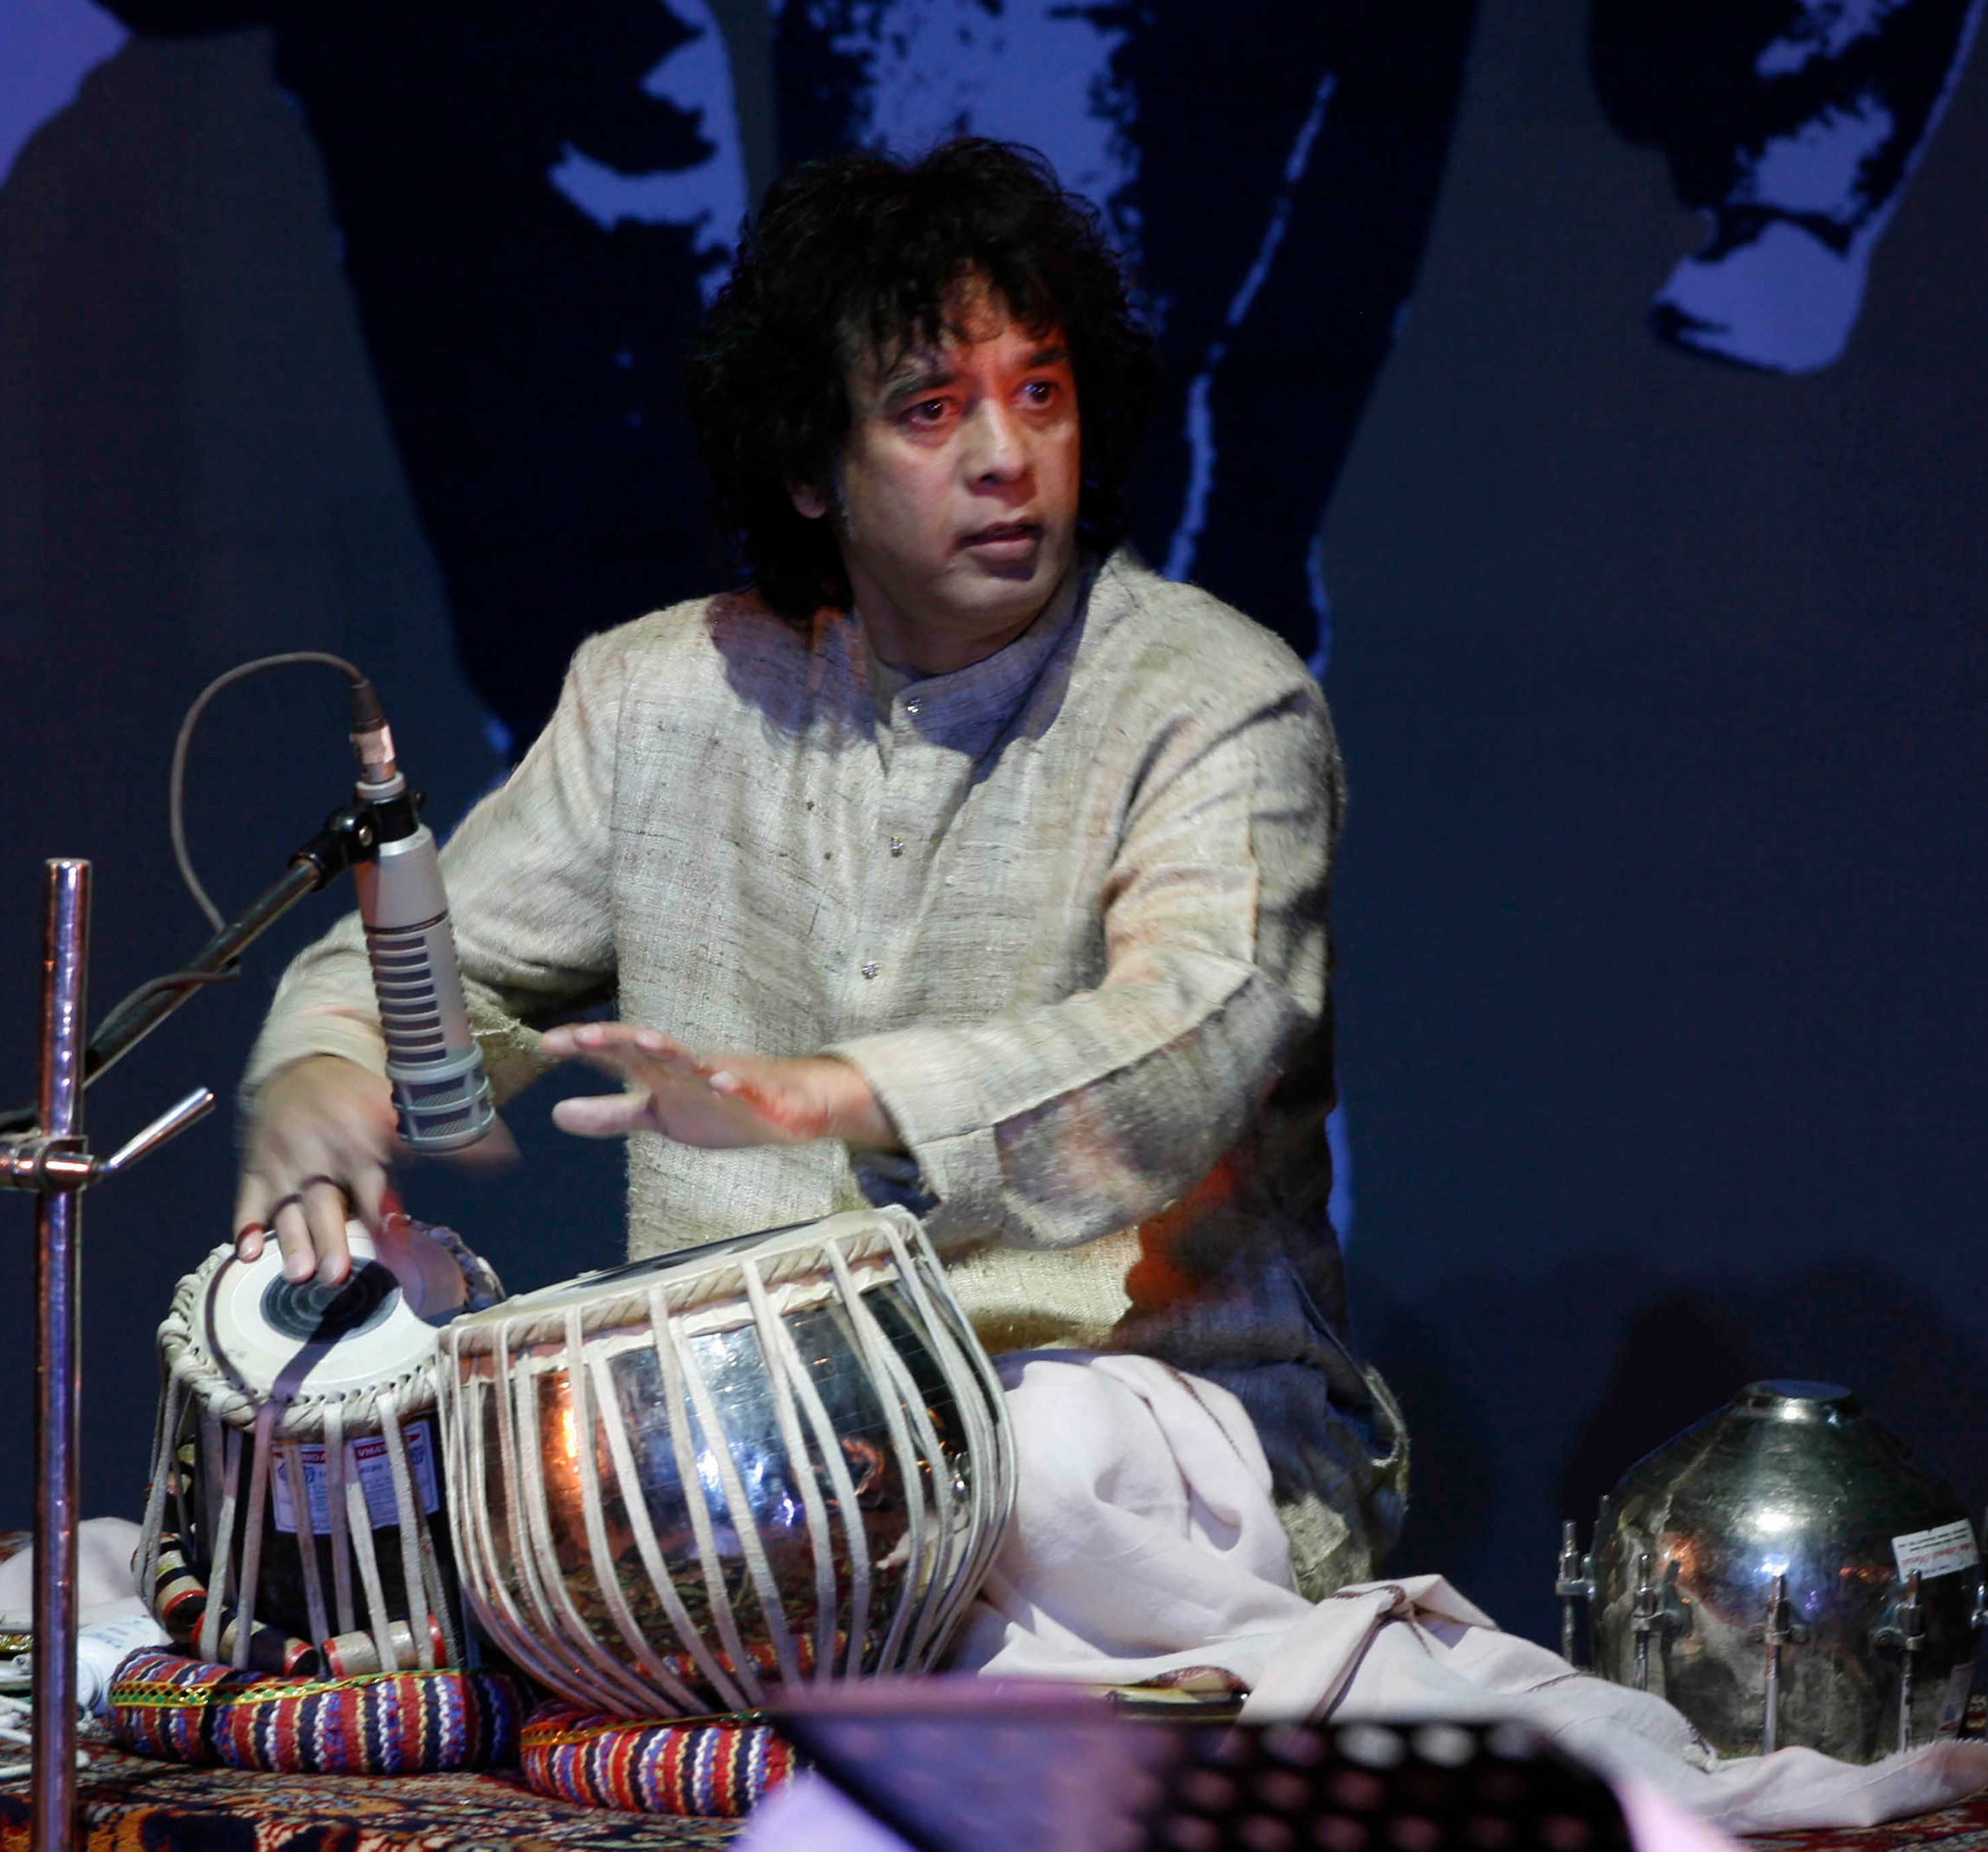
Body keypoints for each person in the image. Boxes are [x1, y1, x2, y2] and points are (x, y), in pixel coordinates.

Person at [236, 138, 1406, 1598]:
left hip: (1140, 1444)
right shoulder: (664, 693)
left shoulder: (1213, 699)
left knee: (1039, 1462)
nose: (1003, 455)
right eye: (931, 409)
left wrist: (842, 1097)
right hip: (746, 1455)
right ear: (807, 471)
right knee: (442, 1453)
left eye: (1037, 392)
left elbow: (1184, 1038)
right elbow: (437, 964)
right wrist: (329, 1068)